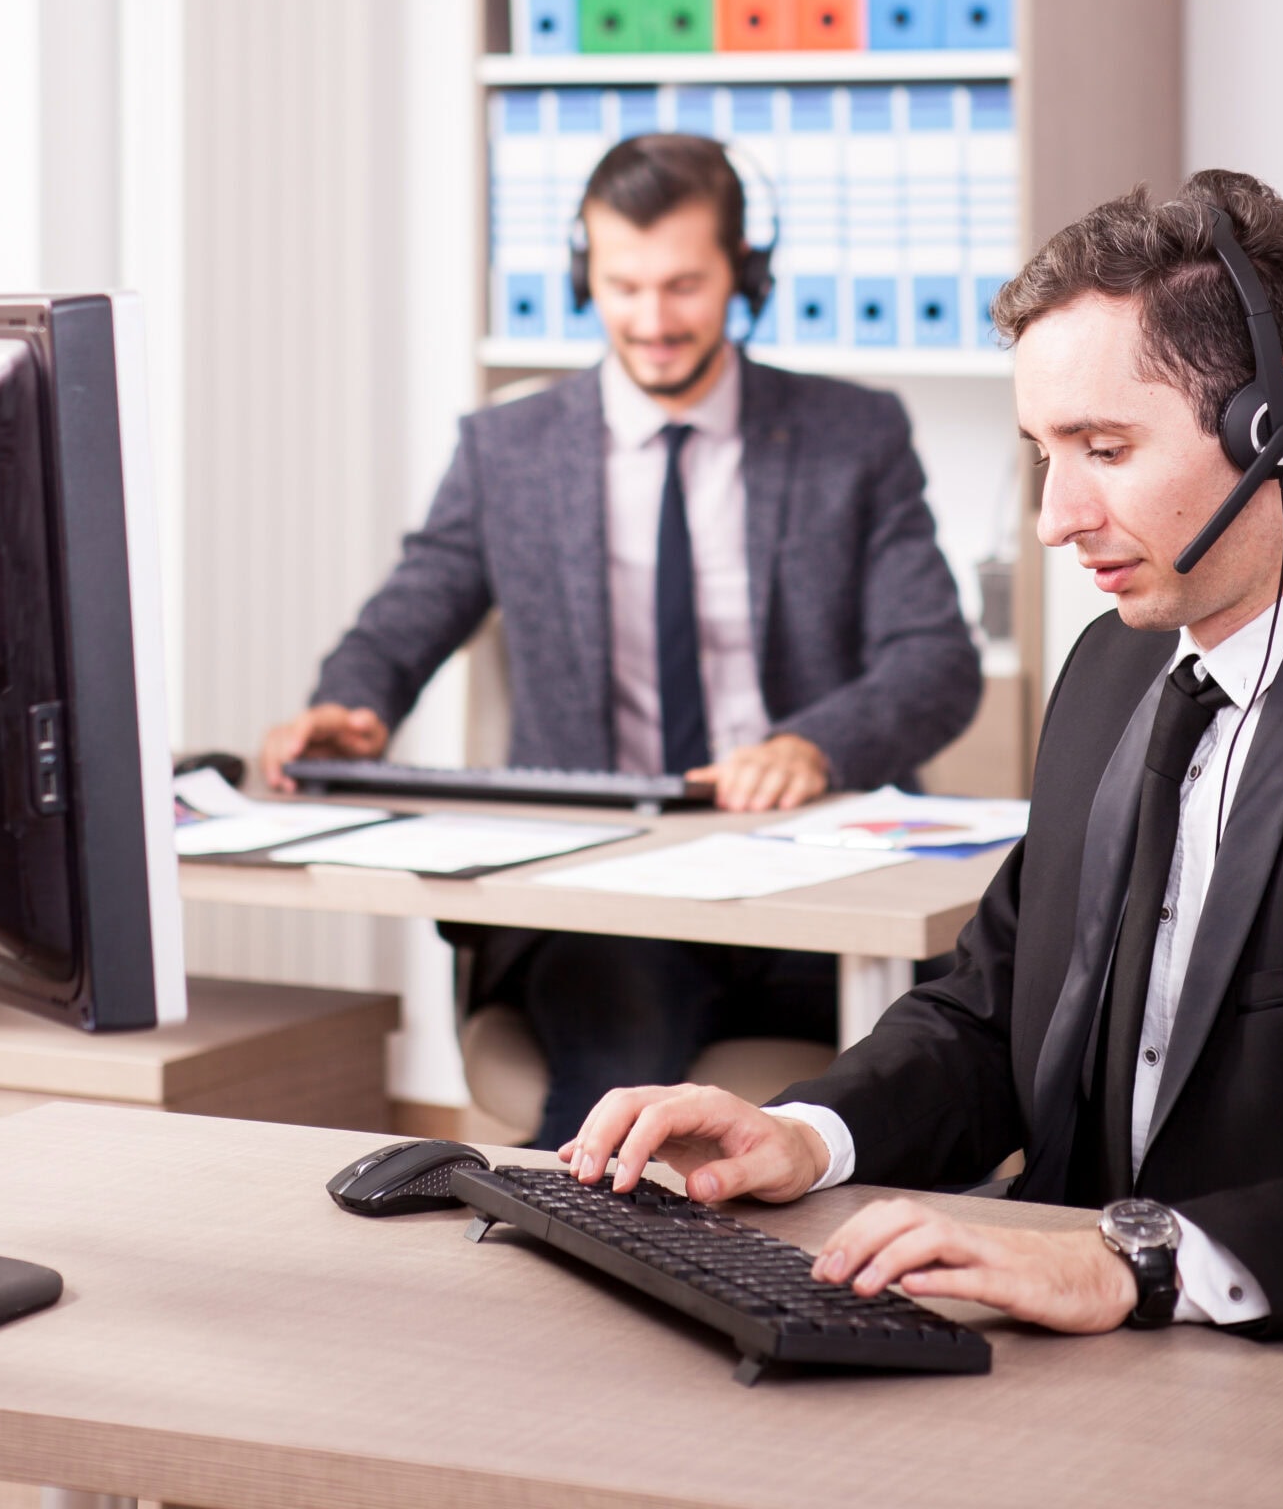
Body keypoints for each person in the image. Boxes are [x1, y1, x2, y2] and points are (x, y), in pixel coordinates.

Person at [561, 170, 1283, 1339]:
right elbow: (992, 1005)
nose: (1054, 516)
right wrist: (806, 1133)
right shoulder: (1115, 670)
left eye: (1104, 447)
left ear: (1278, 423)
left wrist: (1141, 1262)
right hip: (1052, 1343)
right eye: (1041, 453)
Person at [260, 132, 982, 1147]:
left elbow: (935, 660)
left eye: (684, 284)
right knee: (614, 1058)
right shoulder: (508, 449)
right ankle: (555, 1255)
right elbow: (411, 610)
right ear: (583, 277)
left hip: (816, 877)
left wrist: (812, 745)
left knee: (928, 1084)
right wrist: (351, 701)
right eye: (623, 285)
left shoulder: (850, 435)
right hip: (614, 889)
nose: (653, 321)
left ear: (743, 271)